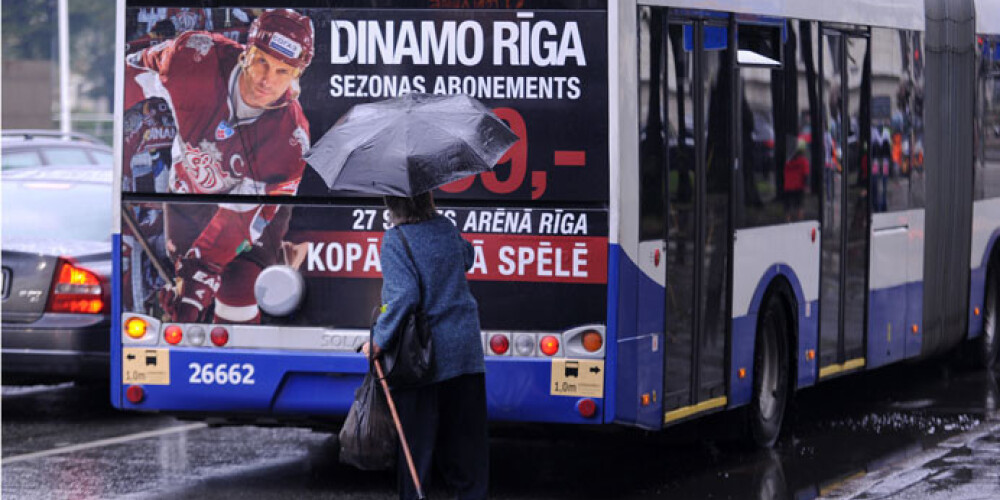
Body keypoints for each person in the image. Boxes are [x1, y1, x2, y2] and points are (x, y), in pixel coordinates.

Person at [123, 9, 314, 323]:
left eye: (283, 71)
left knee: (238, 285)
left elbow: (235, 223)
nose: (268, 80)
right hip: (189, 196)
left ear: (296, 76)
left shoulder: (291, 140)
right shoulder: (195, 55)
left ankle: (240, 364)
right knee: (183, 277)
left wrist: (197, 288)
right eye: (262, 61)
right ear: (246, 52)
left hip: (248, 210)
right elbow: (134, 70)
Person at [362, 192, 489, 500]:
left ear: (391, 206)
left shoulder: (396, 240)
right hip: (465, 353)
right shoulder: (445, 227)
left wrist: (378, 340)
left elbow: (403, 296)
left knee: (416, 450)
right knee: (466, 449)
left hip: (423, 359)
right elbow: (468, 257)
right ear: (428, 199)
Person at [783, 139, 810, 221]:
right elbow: (805, 175)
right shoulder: (804, 161)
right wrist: (806, 186)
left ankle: (788, 220)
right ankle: (800, 220)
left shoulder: (787, 162)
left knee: (788, 205)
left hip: (788, 186)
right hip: (799, 186)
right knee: (799, 204)